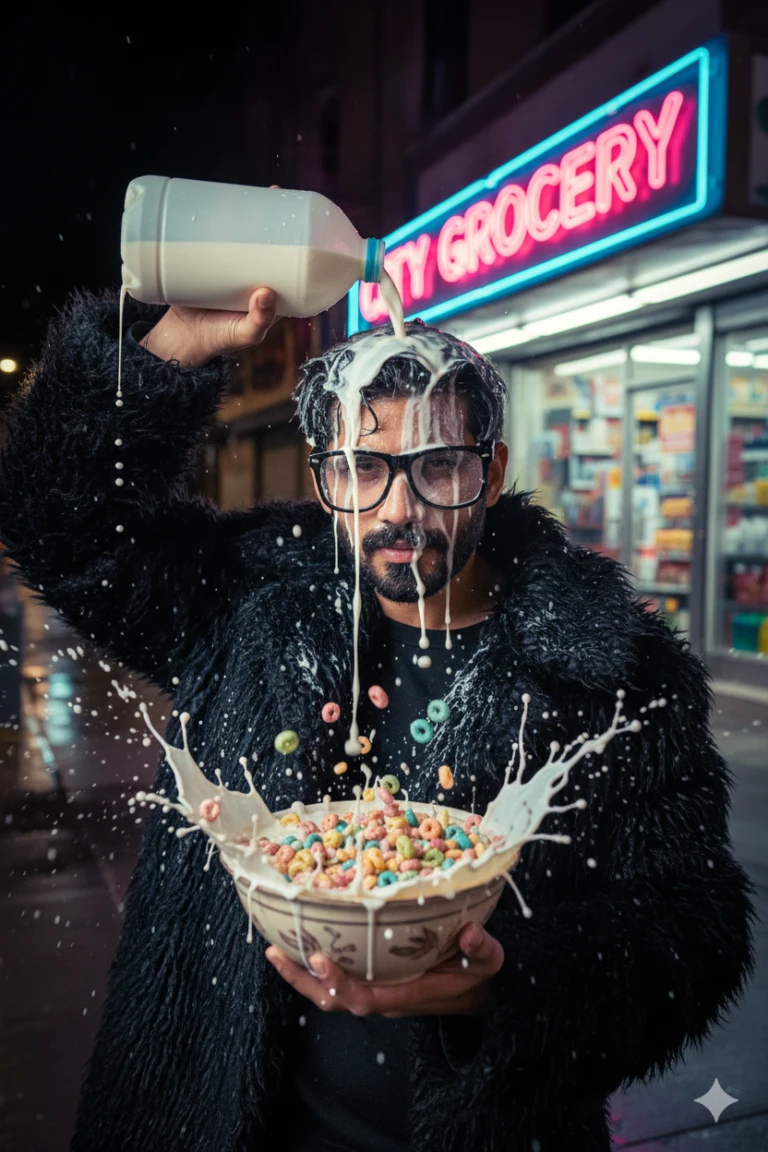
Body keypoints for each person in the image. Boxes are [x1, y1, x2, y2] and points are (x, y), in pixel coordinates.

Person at [0, 285, 755, 1152]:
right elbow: (61, 525)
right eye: (361, 469)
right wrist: (168, 349)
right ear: (324, 482)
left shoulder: (612, 668)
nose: (398, 510)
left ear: (492, 471)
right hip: (205, 1116)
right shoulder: (249, 600)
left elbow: (694, 932)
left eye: (437, 465)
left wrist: (503, 985)